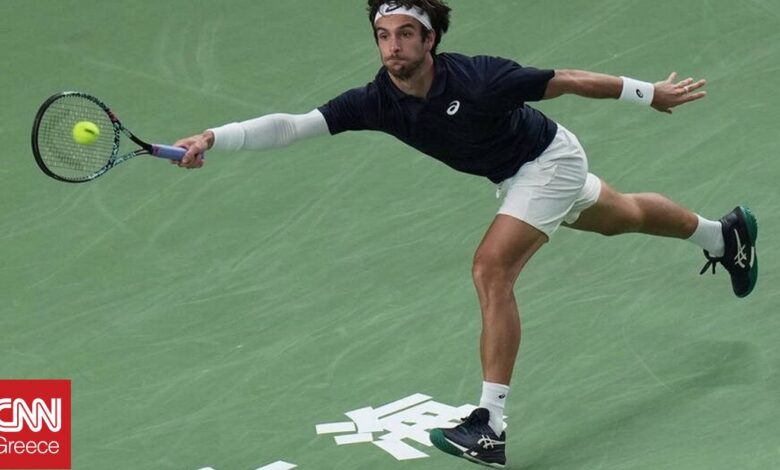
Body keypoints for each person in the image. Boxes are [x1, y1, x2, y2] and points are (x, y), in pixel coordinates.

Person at [173, 0, 759, 467]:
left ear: (430, 40)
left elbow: (567, 80)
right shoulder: (378, 101)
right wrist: (214, 138)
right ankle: (722, 236)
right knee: (623, 216)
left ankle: (490, 424)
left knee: (491, 268)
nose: (393, 47)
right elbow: (295, 125)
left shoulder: (479, 79)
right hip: (515, 176)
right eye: (383, 36)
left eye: (406, 35)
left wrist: (649, 93)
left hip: (548, 162)